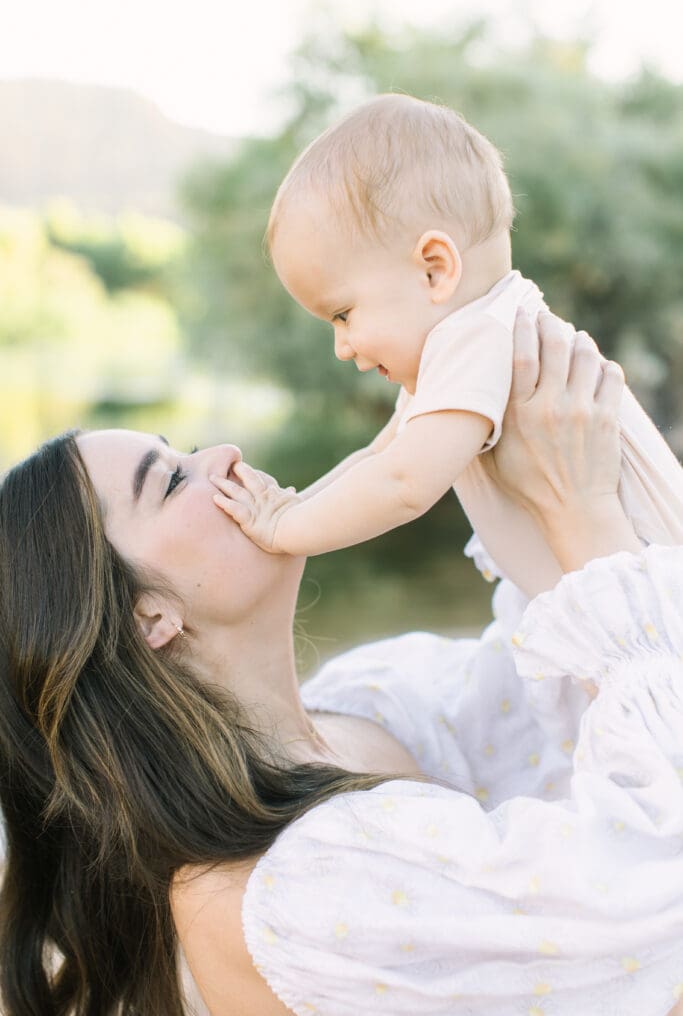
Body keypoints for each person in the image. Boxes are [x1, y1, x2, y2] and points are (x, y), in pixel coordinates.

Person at [2, 313, 683, 1016]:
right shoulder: (289, 886)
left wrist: (481, 442)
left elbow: (569, 698)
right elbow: (654, 892)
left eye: (191, 450)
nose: (226, 454)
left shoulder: (370, 701)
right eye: (173, 482)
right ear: (148, 617)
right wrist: (582, 512)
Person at [213, 93, 683, 601]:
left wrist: (286, 533)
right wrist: (291, 507)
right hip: (613, 601)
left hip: (657, 604)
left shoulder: (479, 336)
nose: (342, 348)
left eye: (343, 315)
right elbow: (378, 456)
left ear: (435, 268)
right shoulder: (461, 343)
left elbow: (402, 484)